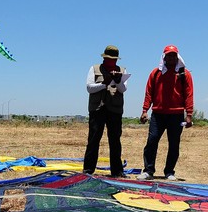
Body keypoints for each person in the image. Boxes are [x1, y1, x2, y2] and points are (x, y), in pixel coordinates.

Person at [137, 45, 194, 181]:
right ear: (164, 57)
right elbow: (149, 93)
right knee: (152, 141)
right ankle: (148, 171)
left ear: (177, 57)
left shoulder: (184, 74)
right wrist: (145, 110)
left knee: (174, 144)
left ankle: (169, 172)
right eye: (168, 55)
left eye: (173, 55)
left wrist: (189, 114)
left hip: (176, 115)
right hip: (158, 114)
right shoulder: (155, 73)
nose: (171, 57)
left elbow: (189, 94)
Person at [83, 45, 128, 177]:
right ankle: (88, 170)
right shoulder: (94, 68)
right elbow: (89, 88)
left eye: (114, 59)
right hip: (98, 109)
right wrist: (105, 83)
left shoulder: (122, 70)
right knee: (93, 139)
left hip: (115, 109)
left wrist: (118, 81)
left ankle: (117, 171)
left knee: (115, 140)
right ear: (104, 58)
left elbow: (123, 89)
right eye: (109, 59)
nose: (112, 62)